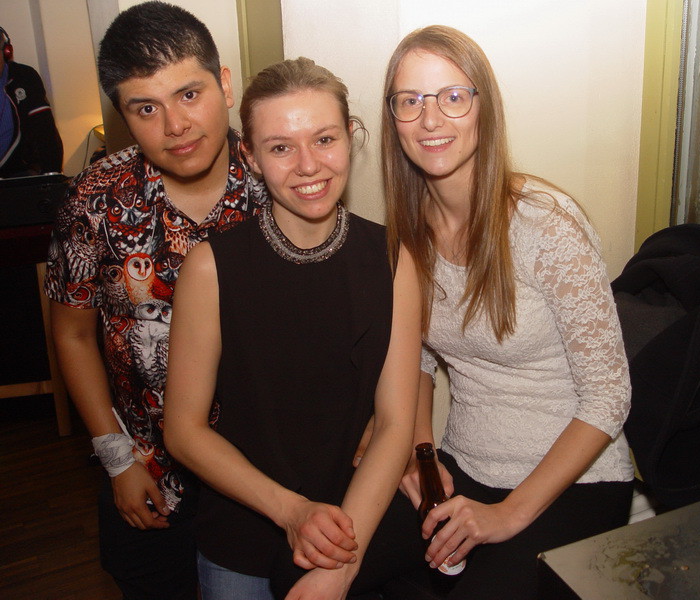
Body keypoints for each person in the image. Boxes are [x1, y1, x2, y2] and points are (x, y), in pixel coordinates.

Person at [378, 25, 635, 599]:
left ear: (483, 109)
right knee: (322, 567)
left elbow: (609, 395)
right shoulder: (408, 235)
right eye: (410, 101)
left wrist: (507, 514)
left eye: (452, 96)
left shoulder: (546, 225)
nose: (430, 119)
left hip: (574, 481)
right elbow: (418, 359)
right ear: (393, 119)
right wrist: (422, 458)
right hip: (464, 467)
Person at [162, 57, 422, 600]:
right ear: (250, 158)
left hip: (353, 526)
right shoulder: (211, 268)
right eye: (281, 147)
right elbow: (184, 431)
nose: (308, 165)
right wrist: (292, 511)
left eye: (324, 139)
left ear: (350, 136)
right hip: (243, 539)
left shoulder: (392, 260)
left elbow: (396, 424)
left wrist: (342, 564)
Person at [44, 2, 267, 598]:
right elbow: (71, 333)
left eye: (189, 94)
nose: (175, 125)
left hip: (265, 470)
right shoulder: (94, 199)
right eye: (146, 108)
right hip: (147, 470)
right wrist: (117, 457)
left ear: (224, 84)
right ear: (123, 116)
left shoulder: (277, 181)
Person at [0, 24, 63, 177]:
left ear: (6, 52)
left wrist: (51, 178)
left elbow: (45, 134)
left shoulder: (24, 77)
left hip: (18, 176)